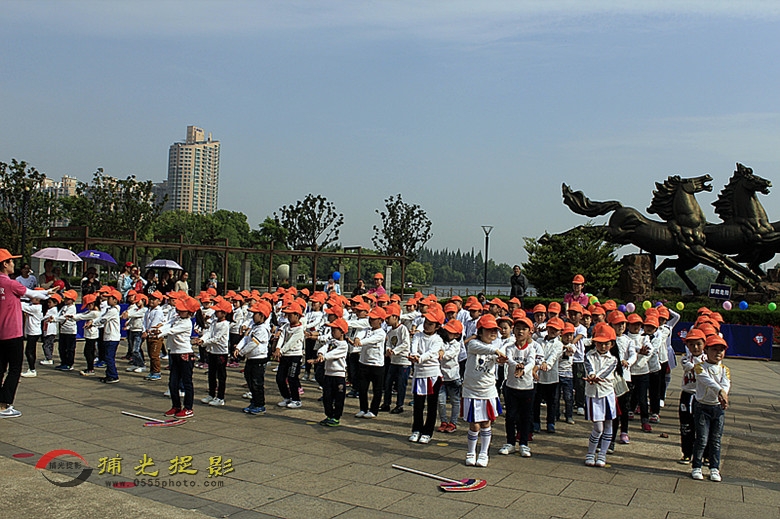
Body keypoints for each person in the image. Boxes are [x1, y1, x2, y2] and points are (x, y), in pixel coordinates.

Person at [0, 249, 53, 418]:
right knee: (15, 368)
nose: (13, 264)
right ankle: (4, 405)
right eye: (11, 261)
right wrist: (48, 292)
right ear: (5, 264)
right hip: (12, 332)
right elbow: (32, 294)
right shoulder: (11, 283)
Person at [461, 314, 507, 467]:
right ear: (480, 332)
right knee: (474, 424)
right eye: (488, 330)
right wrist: (496, 351)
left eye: (495, 330)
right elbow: (483, 349)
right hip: (471, 390)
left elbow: (498, 359)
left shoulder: (497, 346)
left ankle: (483, 453)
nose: (493, 333)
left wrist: (501, 360)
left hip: (487, 390)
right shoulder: (473, 343)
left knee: (486, 423)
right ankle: (471, 452)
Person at [691, 335, 730, 482]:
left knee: (716, 439)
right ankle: (696, 466)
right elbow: (706, 381)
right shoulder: (700, 367)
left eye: (721, 350)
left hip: (717, 408)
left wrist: (723, 395)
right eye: (714, 349)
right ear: (706, 350)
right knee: (702, 438)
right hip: (702, 407)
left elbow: (726, 384)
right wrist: (720, 392)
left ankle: (714, 467)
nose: (718, 353)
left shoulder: (724, 369)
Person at [153, 295, 199, 418]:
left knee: (187, 382)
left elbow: (172, 330)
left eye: (183, 310)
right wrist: (158, 329)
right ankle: (176, 406)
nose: (179, 312)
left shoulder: (187, 323)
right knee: (173, 382)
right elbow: (168, 325)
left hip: (185, 354)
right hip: (174, 353)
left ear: (189, 312)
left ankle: (188, 408)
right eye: (179, 309)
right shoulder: (177, 318)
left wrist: (158, 334)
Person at [500, 316, 539, 457]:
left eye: (524, 329)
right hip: (511, 386)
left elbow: (531, 362)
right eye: (518, 329)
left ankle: (524, 444)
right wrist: (517, 366)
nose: (520, 332)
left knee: (525, 417)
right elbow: (509, 359)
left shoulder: (531, 348)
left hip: (527, 387)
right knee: (510, 416)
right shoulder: (510, 347)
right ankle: (510, 442)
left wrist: (523, 370)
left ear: (530, 332)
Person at [408, 306, 446, 445]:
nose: (426, 325)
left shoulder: (438, 340)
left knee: (431, 405)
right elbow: (414, 346)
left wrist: (419, 358)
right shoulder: (418, 335)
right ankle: (416, 429)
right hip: (419, 374)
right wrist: (414, 355)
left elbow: (432, 353)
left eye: (430, 324)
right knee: (418, 405)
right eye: (426, 322)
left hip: (432, 375)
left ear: (437, 327)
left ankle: (427, 432)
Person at [584, 324, 619, 468]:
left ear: (612, 344)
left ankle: (602, 454)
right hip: (593, 394)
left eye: (606, 343)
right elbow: (589, 367)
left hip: (607, 393)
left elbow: (606, 371)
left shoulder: (613, 359)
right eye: (599, 343)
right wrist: (592, 375)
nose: (603, 346)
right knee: (598, 427)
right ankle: (590, 453)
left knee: (608, 424)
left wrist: (596, 377)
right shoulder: (589, 355)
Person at [311, 318, 350, 426]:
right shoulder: (331, 341)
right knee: (327, 397)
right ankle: (329, 415)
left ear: (342, 332)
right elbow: (324, 348)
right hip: (328, 373)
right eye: (332, 330)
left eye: (335, 330)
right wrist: (320, 353)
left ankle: (336, 417)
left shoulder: (343, 345)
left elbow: (334, 354)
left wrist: (323, 357)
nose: (332, 332)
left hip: (339, 375)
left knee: (338, 398)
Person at [237, 300, 273, 415]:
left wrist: (242, 353)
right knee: (249, 380)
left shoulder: (262, 329)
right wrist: (238, 348)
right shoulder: (254, 326)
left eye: (255, 314)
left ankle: (260, 405)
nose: (253, 316)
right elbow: (246, 338)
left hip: (259, 358)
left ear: (262, 315)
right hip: (251, 358)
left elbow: (253, 343)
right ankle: (254, 402)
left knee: (257, 383)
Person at [679, 328, 706, 464]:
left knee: (703, 426)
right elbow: (690, 367)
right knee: (686, 425)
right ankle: (687, 453)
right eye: (691, 344)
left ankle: (705, 454)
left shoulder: (708, 359)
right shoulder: (685, 359)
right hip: (687, 395)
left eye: (698, 344)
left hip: (702, 396)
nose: (695, 347)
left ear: (704, 344)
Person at [197, 299, 231, 407]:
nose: (216, 313)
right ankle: (211, 394)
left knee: (221, 376)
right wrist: (202, 339)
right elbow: (208, 333)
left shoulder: (225, 325)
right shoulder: (214, 322)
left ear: (224, 313)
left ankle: (220, 397)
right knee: (211, 374)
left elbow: (216, 339)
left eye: (218, 311)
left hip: (221, 353)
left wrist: (203, 343)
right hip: (212, 351)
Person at [354, 306, 387, 418]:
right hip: (363, 362)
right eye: (370, 318)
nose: (371, 321)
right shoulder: (366, 329)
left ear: (380, 320)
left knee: (377, 389)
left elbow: (370, 340)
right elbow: (360, 334)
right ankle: (363, 408)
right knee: (362, 388)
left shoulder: (381, 333)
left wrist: (360, 342)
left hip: (376, 364)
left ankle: (373, 410)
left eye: (374, 319)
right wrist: (357, 339)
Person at [273, 302, 305, 409]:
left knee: (292, 378)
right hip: (285, 355)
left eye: (290, 314)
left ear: (297, 315)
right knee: (280, 378)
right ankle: (286, 397)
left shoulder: (299, 329)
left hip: (295, 356)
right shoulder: (286, 326)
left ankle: (296, 400)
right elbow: (282, 337)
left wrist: (280, 351)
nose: (288, 317)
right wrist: (278, 348)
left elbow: (291, 343)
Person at [381, 303, 411, 414]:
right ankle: (386, 403)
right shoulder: (390, 331)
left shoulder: (403, 329)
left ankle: (400, 405)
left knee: (400, 384)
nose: (386, 320)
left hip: (403, 361)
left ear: (395, 317)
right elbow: (388, 343)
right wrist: (388, 350)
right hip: (393, 361)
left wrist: (394, 351)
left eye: (388, 318)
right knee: (388, 383)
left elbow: (405, 344)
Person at [437, 319, 463, 434]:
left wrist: (441, 353)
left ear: (457, 335)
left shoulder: (456, 344)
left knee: (455, 401)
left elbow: (448, 355)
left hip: (453, 377)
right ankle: (443, 421)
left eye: (450, 332)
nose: (447, 333)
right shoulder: (441, 341)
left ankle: (453, 423)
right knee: (440, 401)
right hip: (441, 376)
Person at [92, 289, 122, 384]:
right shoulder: (110, 309)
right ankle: (109, 374)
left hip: (112, 337)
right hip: (108, 336)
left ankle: (113, 375)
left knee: (109, 357)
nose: (107, 299)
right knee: (107, 356)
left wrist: (92, 323)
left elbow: (103, 320)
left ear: (115, 300)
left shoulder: (113, 311)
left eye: (109, 298)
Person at [70, 294, 102, 377]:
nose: (87, 307)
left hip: (92, 335)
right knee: (89, 351)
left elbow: (82, 316)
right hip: (89, 334)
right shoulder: (91, 311)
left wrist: (72, 317)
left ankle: (90, 369)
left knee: (88, 352)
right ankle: (90, 368)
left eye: (88, 305)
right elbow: (83, 314)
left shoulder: (95, 313)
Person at [21, 291, 45, 378]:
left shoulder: (36, 308)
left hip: (34, 332)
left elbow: (22, 305)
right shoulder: (33, 305)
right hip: (32, 331)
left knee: (29, 351)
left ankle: (32, 369)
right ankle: (31, 368)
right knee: (31, 350)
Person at [54, 290, 79, 371]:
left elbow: (64, 317)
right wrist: (53, 317)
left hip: (70, 331)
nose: (65, 300)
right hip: (63, 330)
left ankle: (69, 364)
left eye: (68, 298)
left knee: (70, 349)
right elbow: (58, 315)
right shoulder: (64, 307)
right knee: (61, 348)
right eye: (65, 298)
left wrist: (54, 319)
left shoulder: (72, 308)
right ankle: (63, 362)